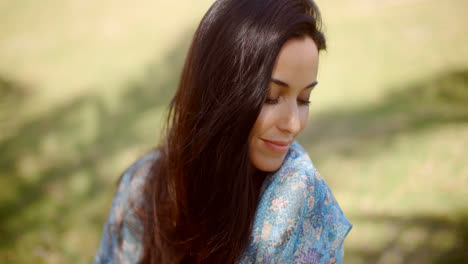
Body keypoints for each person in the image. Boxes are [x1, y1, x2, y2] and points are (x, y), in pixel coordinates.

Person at [93, 0, 352, 263]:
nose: (294, 124)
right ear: (219, 91)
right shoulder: (143, 186)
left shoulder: (298, 197)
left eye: (304, 99)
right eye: (271, 97)